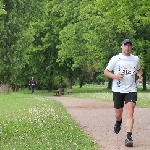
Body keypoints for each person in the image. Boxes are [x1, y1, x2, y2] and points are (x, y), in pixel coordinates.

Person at [104, 39, 143, 147]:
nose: (127, 48)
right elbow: (106, 72)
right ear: (122, 47)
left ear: (131, 48)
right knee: (118, 113)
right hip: (118, 90)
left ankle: (129, 137)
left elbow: (139, 70)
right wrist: (115, 77)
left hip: (131, 89)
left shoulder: (135, 59)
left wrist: (140, 77)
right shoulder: (116, 59)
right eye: (126, 46)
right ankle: (118, 122)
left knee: (130, 111)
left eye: (129, 46)